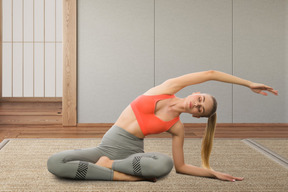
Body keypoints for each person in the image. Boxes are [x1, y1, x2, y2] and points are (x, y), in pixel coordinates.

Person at [47, 70, 278, 182]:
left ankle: (113, 167)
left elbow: (180, 167)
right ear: (196, 93)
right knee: (55, 162)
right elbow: (211, 73)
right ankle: (123, 177)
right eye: (200, 99)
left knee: (164, 164)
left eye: (200, 109)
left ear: (197, 117)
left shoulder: (177, 127)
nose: (197, 105)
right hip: (105, 146)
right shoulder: (167, 88)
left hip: (130, 155)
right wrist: (248, 83)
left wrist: (213, 174)